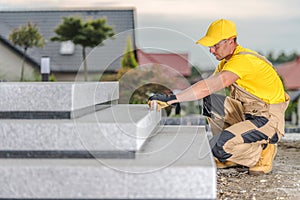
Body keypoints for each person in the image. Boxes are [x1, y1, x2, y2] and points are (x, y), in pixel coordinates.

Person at [148, 19, 290, 175]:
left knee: (218, 146)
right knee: (211, 100)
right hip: (248, 114)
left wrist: (174, 98)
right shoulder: (227, 62)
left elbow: (209, 86)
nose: (211, 50)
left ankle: (262, 152)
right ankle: (231, 153)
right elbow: (207, 88)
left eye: (215, 45)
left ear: (231, 41)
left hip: (267, 119)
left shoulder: (243, 61)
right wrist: (173, 99)